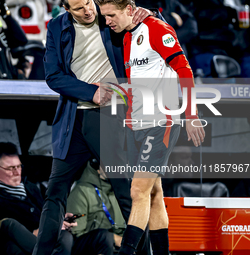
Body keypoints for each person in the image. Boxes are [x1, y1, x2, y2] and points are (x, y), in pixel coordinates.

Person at [32, 0, 164, 254]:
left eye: (89, 3)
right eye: (79, 8)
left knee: (127, 191)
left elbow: (147, 23)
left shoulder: (108, 15)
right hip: (72, 119)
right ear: (66, 8)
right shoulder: (57, 27)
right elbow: (53, 76)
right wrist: (91, 92)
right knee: (55, 192)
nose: (88, 11)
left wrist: (152, 14)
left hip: (109, 117)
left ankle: (145, 252)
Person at [95, 0, 206, 254]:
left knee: (138, 191)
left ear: (130, 10)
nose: (108, 21)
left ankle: (128, 251)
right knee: (154, 193)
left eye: (111, 15)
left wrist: (191, 114)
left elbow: (184, 71)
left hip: (161, 123)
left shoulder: (157, 28)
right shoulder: (125, 38)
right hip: (137, 125)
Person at [0, 142, 76, 255]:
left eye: (19, 166)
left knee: (65, 237)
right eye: (11, 168)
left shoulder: (30, 187)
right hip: (15, 246)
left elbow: (44, 213)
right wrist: (33, 232)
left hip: (44, 238)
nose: (17, 172)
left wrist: (59, 218)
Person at [67, 159, 126, 255]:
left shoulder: (119, 191)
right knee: (104, 237)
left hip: (114, 247)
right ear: (96, 165)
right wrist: (112, 238)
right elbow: (76, 234)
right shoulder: (81, 192)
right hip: (89, 247)